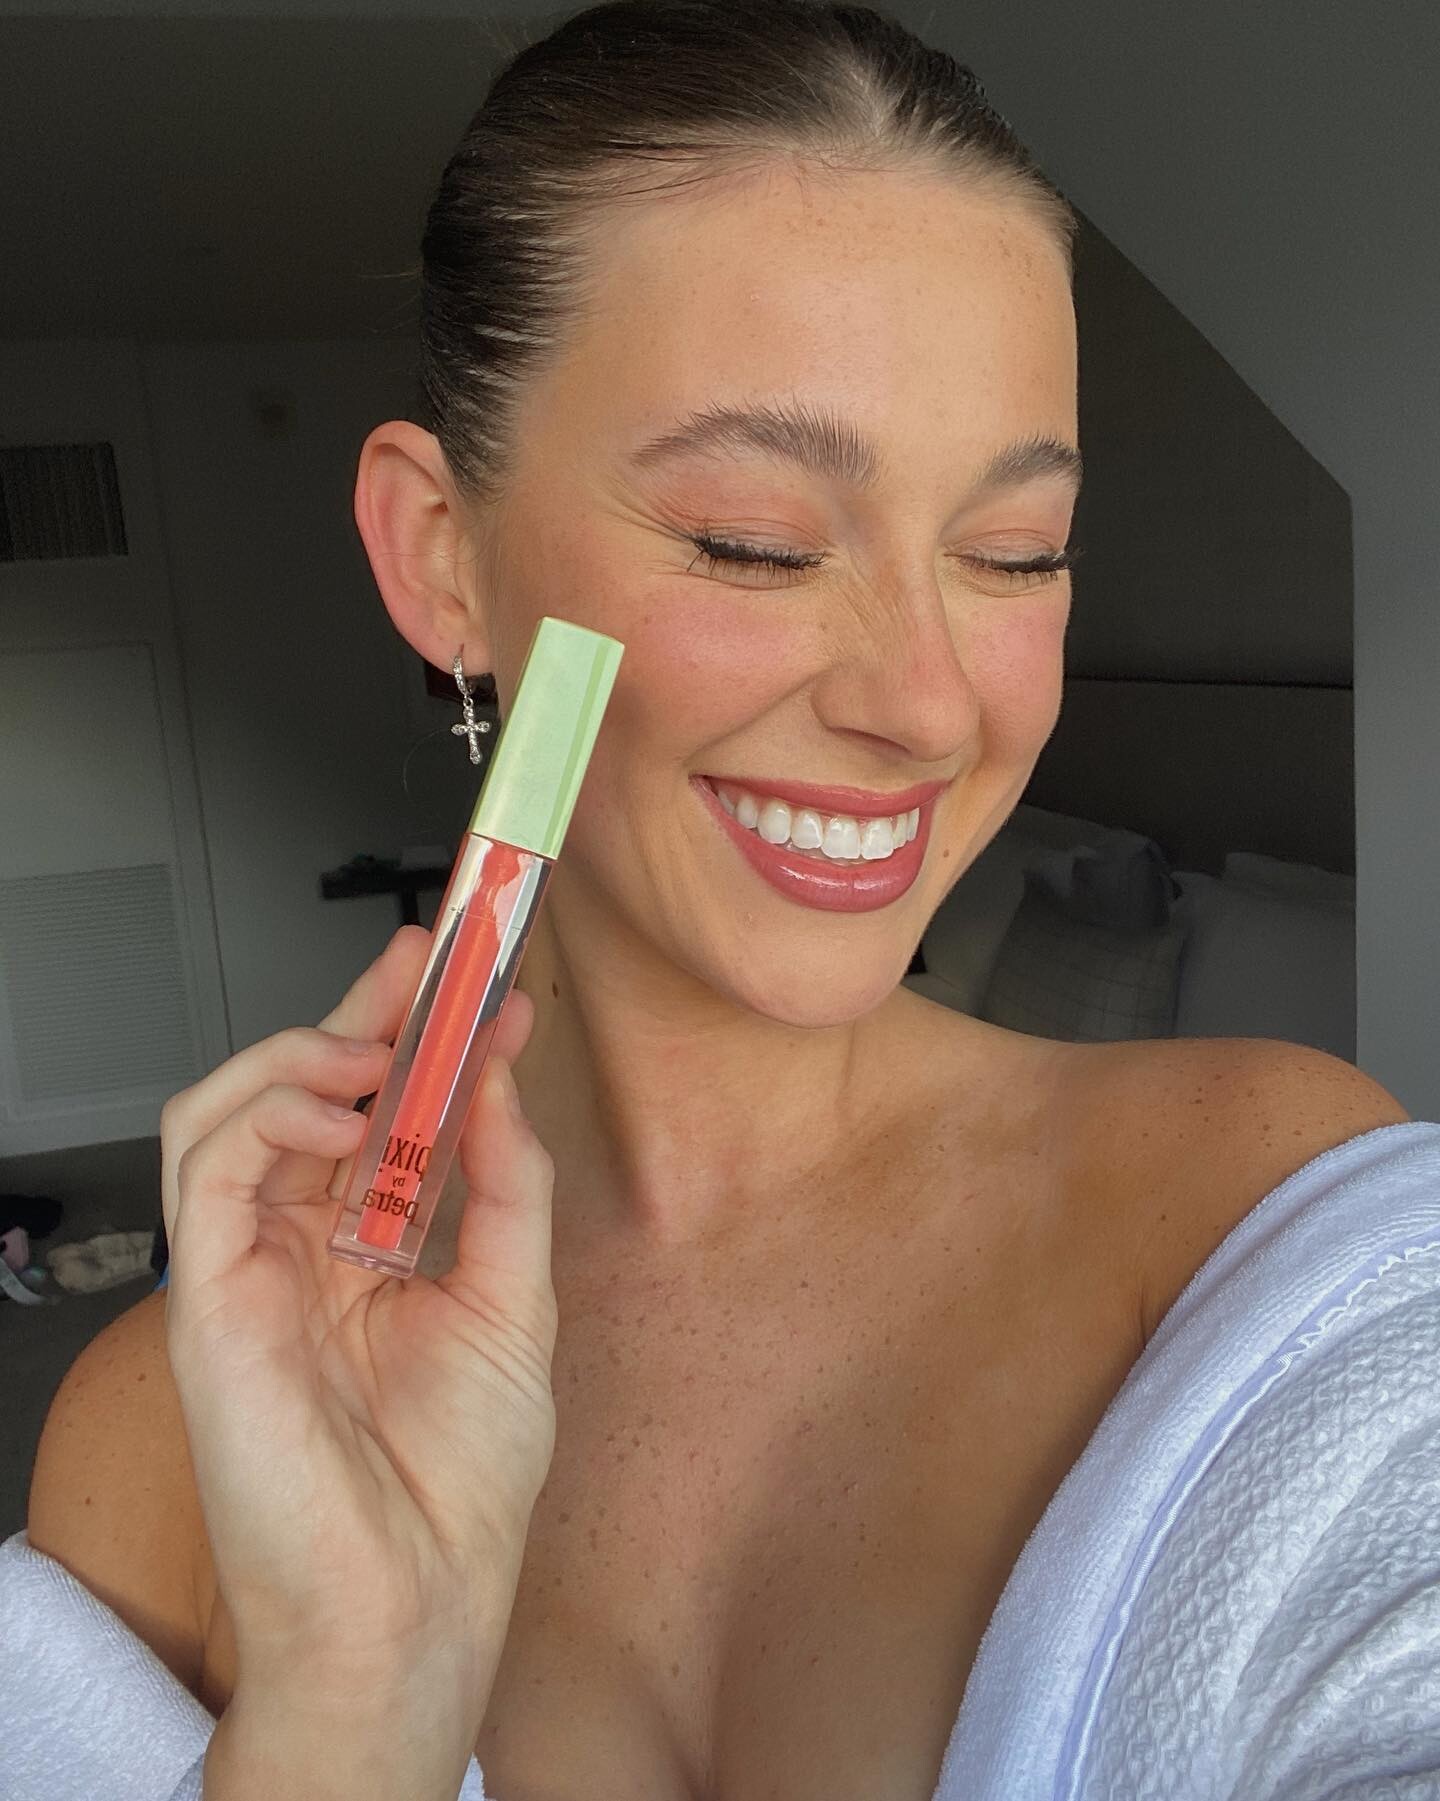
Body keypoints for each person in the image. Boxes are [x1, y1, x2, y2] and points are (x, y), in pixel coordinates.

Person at [15, 3, 1426, 1798]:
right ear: (444, 558)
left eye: (1016, 555)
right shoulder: (169, 1437)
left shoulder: (1277, 1233)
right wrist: (348, 1711)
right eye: (756, 541)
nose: (928, 703)